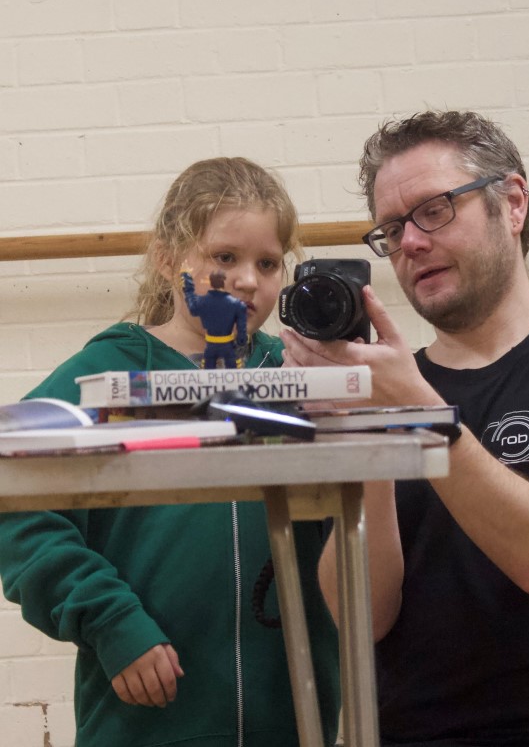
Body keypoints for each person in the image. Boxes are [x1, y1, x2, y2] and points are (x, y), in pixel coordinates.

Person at [281, 111, 529, 745]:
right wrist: (360, 435)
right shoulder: (388, 394)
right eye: (391, 229)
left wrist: (418, 412)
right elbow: (363, 617)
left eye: (435, 210)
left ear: (513, 203)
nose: (410, 242)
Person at [0, 158, 340, 747]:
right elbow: (16, 501)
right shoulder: (103, 374)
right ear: (167, 258)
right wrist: (107, 619)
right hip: (147, 713)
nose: (248, 281)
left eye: (267, 262)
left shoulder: (296, 373)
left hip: (292, 712)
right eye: (224, 257)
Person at [180, 267, 248, 368]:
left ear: (210, 282)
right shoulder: (236, 304)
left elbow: (193, 309)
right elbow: (241, 328)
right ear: (223, 282)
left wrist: (188, 284)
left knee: (208, 375)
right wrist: (241, 341)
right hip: (228, 345)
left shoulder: (203, 301)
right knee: (234, 375)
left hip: (211, 345)